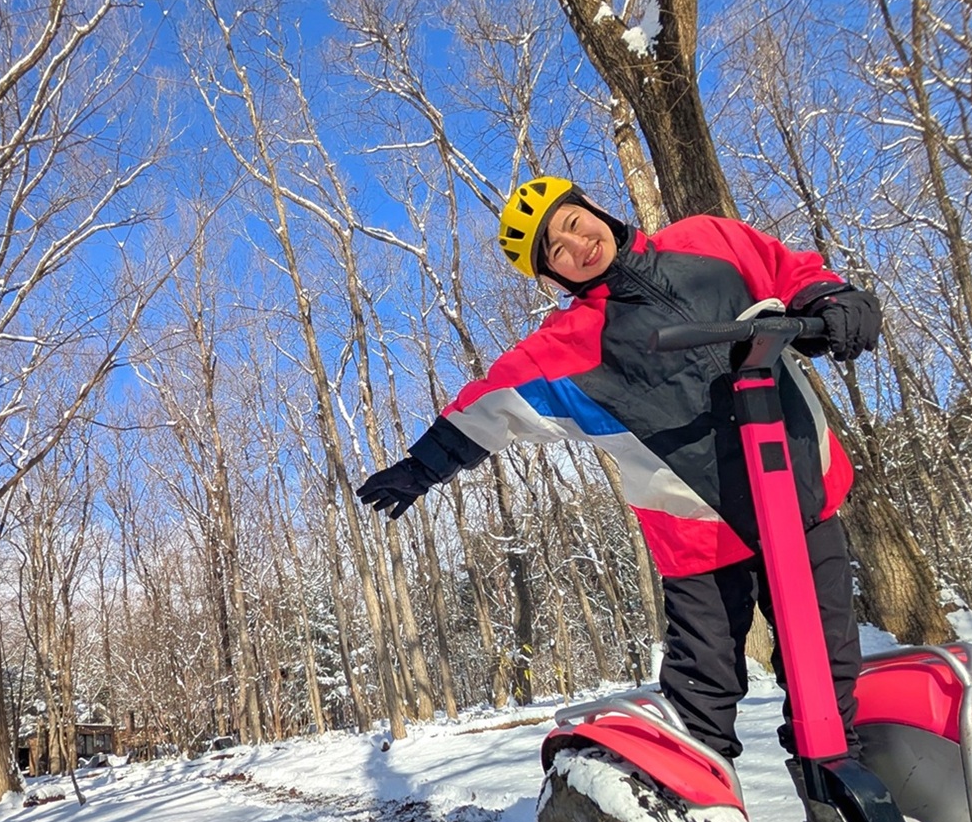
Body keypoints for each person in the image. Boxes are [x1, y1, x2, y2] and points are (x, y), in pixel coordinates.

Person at [355, 176, 880, 785]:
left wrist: (833, 300)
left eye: (574, 222)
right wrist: (421, 468)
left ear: (594, 210)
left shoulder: (706, 240)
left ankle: (836, 806)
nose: (577, 244)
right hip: (697, 536)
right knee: (704, 691)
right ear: (553, 276)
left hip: (799, 488)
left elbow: (787, 272)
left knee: (826, 668)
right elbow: (488, 406)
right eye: (556, 249)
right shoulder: (567, 345)